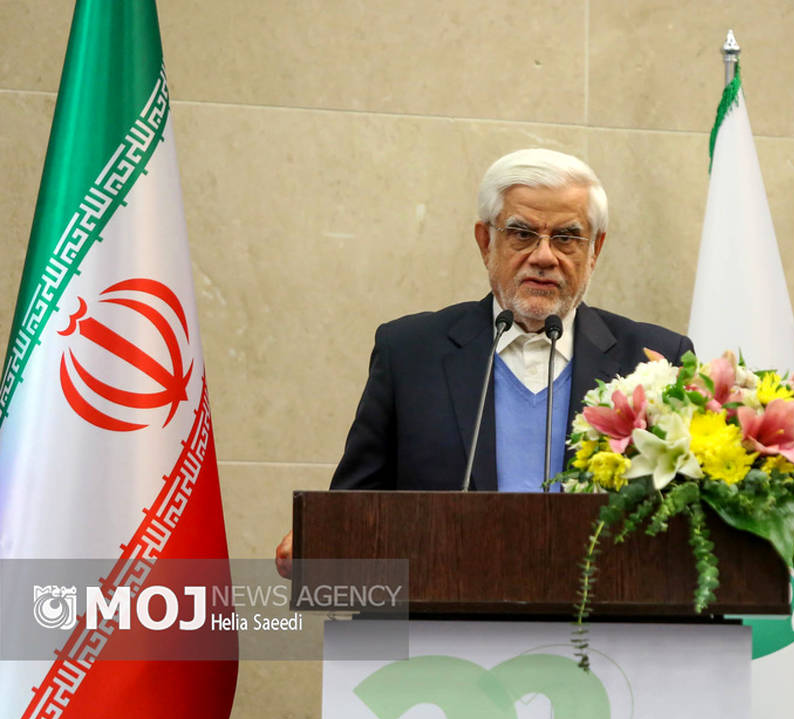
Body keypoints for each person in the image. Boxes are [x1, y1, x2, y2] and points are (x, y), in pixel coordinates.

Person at [275, 148, 692, 577]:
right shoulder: (409, 352)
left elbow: (691, 523)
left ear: (595, 249)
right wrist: (324, 537)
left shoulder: (654, 360)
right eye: (522, 234)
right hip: (441, 611)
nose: (544, 256)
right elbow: (357, 502)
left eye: (566, 238)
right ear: (485, 242)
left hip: (601, 613)